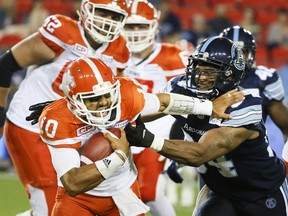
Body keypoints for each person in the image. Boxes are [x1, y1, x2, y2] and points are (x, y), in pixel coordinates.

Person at [37, 56, 244, 215]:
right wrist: (116, 158)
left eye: (106, 96)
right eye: (93, 99)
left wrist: (207, 107)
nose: (103, 103)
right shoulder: (59, 120)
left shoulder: (126, 95)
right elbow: (72, 183)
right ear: (74, 101)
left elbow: (163, 102)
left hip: (122, 191)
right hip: (78, 200)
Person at [110, 36, 288, 216]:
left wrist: (148, 139)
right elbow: (145, 109)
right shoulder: (180, 87)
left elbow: (200, 153)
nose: (200, 77)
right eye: (197, 68)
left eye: (209, 71)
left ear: (229, 74)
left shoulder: (244, 105)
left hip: (263, 192)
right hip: (222, 193)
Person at [0, 0, 130, 215]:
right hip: (32, 127)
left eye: (114, 16)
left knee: (74, 205)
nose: (108, 21)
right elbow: (6, 65)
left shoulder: (119, 49)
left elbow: (117, 94)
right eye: (103, 13)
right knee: (50, 205)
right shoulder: (63, 33)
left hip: (74, 134)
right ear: (87, 10)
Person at [122, 0, 187, 215]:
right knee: (117, 194)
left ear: (155, 26)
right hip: (121, 130)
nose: (136, 32)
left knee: (148, 192)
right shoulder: (114, 56)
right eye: (131, 26)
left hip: (156, 131)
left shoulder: (173, 56)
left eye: (141, 26)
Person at [219, 25, 288, 166]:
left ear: (250, 54)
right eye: (232, 53)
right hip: (216, 154)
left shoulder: (263, 80)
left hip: (253, 155)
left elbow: (286, 125)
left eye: (242, 52)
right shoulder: (211, 78)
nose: (237, 59)